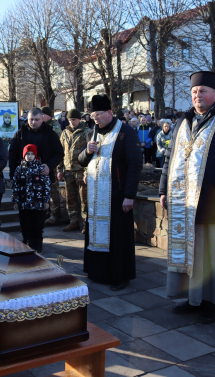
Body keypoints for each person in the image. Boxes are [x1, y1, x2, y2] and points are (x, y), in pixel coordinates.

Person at [160, 71, 215, 324]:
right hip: (183, 203)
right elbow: (169, 158)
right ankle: (192, 298)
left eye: (203, 91)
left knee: (212, 255)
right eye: (194, 92)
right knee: (189, 254)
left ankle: (212, 303)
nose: (197, 95)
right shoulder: (181, 123)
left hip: (212, 202)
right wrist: (163, 190)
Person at [78, 94, 142, 291]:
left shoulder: (125, 132)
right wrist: (87, 152)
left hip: (117, 195)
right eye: (92, 115)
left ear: (109, 112)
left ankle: (120, 276)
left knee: (118, 237)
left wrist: (129, 195)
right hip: (97, 197)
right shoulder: (93, 133)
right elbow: (81, 160)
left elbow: (135, 164)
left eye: (98, 114)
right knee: (96, 233)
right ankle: (98, 272)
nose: (95, 118)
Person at [9, 108, 64, 226]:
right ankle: (26, 240)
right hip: (24, 180)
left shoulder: (50, 133)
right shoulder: (20, 134)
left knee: (39, 217)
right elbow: (12, 155)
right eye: (31, 120)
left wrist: (49, 165)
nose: (33, 122)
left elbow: (59, 153)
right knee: (24, 217)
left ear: (42, 118)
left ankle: (37, 241)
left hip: (42, 178)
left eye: (37, 120)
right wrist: (13, 175)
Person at [11, 144, 51, 253]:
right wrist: (15, 200)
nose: (29, 156)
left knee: (37, 226)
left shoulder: (40, 168)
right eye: (27, 154)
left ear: (35, 155)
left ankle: (37, 247)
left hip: (38, 204)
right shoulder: (19, 169)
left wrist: (46, 200)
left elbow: (46, 185)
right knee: (25, 226)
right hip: (24, 205)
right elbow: (15, 186)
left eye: (32, 154)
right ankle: (26, 246)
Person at [57, 108, 91, 233]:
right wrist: (59, 169)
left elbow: (89, 154)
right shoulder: (65, 133)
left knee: (84, 199)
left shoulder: (87, 132)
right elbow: (60, 152)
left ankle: (86, 224)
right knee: (70, 198)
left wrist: (87, 171)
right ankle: (73, 221)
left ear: (79, 119)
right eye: (70, 119)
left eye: (74, 119)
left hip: (81, 170)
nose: (72, 122)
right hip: (68, 170)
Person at [40, 107, 64, 225]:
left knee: (53, 190)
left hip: (53, 165)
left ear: (48, 115)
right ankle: (48, 212)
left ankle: (55, 214)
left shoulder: (54, 128)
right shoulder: (43, 127)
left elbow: (58, 149)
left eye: (42, 114)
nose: (41, 117)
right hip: (45, 164)